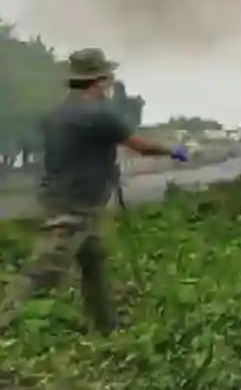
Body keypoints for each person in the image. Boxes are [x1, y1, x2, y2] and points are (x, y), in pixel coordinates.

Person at [0, 48, 189, 335]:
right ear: (97, 81)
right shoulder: (99, 115)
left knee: (93, 265)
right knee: (43, 270)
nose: (110, 85)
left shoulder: (58, 113)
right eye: (107, 79)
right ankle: (4, 319)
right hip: (73, 207)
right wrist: (172, 150)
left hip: (67, 200)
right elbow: (138, 145)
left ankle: (106, 327)